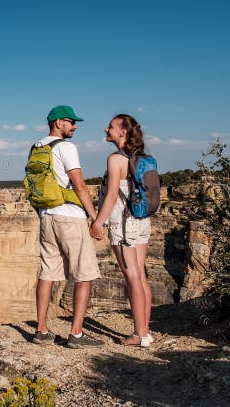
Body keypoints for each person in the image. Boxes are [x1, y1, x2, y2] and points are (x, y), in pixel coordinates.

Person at [31, 105, 104, 348]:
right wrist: (94, 217)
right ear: (58, 122)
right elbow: (79, 185)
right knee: (83, 274)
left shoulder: (37, 147)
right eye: (71, 121)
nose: (75, 126)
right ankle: (76, 334)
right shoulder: (66, 147)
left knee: (47, 272)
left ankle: (41, 330)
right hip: (69, 217)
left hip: (46, 217)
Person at [90, 114, 153, 347]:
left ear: (123, 132)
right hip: (141, 221)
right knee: (140, 275)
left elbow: (112, 194)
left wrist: (98, 222)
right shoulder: (141, 157)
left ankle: (139, 334)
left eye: (111, 127)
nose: (106, 130)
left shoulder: (115, 159)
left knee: (132, 277)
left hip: (123, 224)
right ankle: (145, 331)